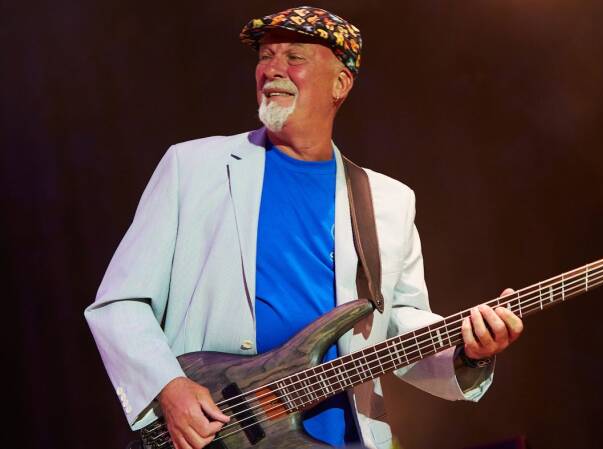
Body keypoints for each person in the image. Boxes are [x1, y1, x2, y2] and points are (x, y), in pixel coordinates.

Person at [85, 6, 523, 449]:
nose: (272, 69)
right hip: (220, 434)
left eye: (294, 57)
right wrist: (168, 385)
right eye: (265, 56)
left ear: (340, 84)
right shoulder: (193, 168)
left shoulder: (388, 200)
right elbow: (120, 303)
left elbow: (399, 326)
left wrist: (468, 352)